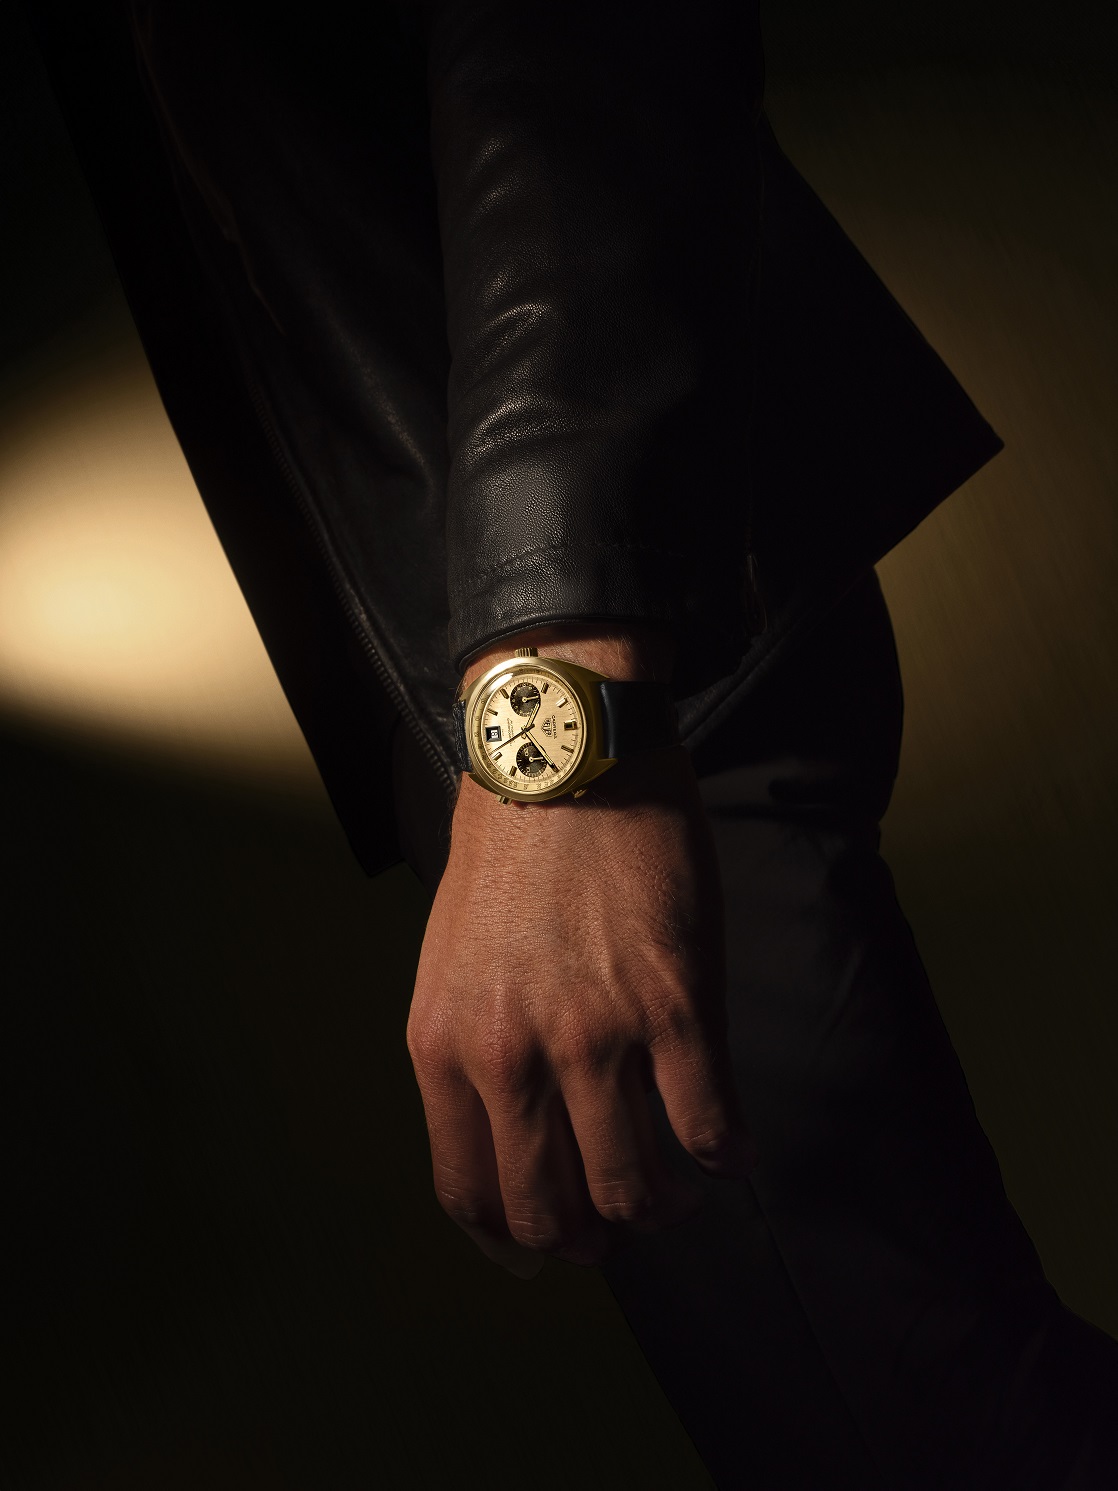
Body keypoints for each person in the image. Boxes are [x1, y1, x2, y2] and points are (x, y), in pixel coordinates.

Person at [36, 0, 1118, 1483]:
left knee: (948, 1434)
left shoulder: (583, 713)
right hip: (534, 646)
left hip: (625, 671)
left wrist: (559, 713)